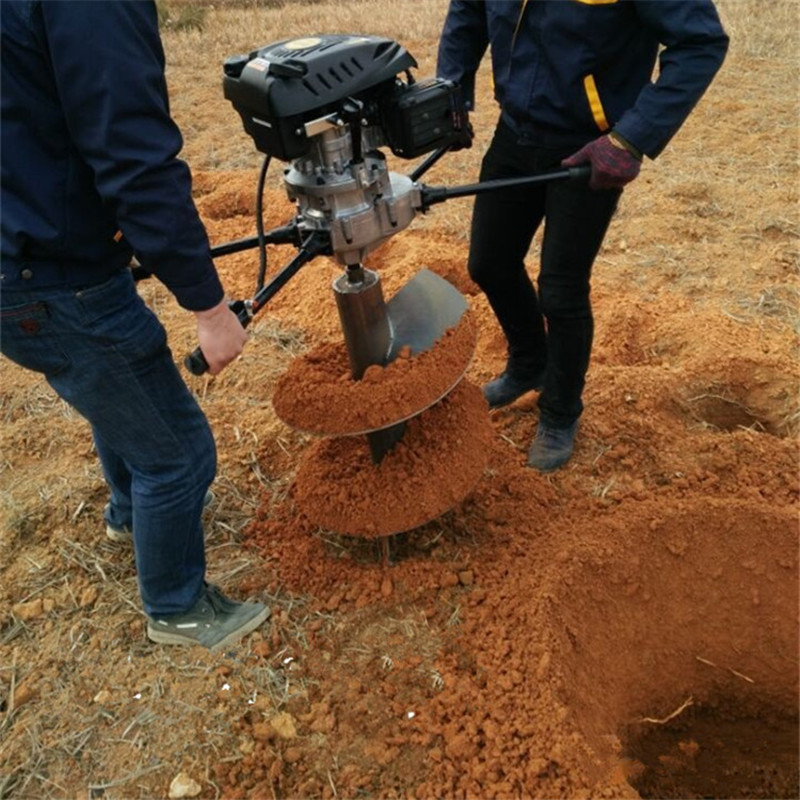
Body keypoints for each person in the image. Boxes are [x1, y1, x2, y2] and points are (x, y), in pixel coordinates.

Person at [1, 0, 270, 651]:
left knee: (117, 388)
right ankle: (176, 606)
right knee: (179, 453)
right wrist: (209, 308)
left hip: (25, 250)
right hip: (51, 276)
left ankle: (129, 515)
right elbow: (133, 159)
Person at [437, 0, 728, 471]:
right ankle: (530, 362)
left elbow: (701, 42)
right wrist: (451, 89)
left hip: (590, 150)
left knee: (562, 290)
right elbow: (469, 10)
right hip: (515, 132)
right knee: (488, 262)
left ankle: (560, 411)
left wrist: (631, 137)